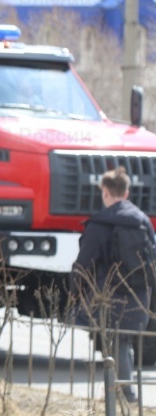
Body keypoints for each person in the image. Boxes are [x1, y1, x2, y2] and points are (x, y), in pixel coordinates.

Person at [71, 167, 156, 403]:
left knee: (115, 343)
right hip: (139, 295)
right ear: (126, 192)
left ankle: (123, 394)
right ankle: (121, 393)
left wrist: (75, 292)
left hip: (108, 296)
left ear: (105, 192)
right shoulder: (143, 222)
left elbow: (84, 263)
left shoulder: (100, 224)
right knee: (123, 342)